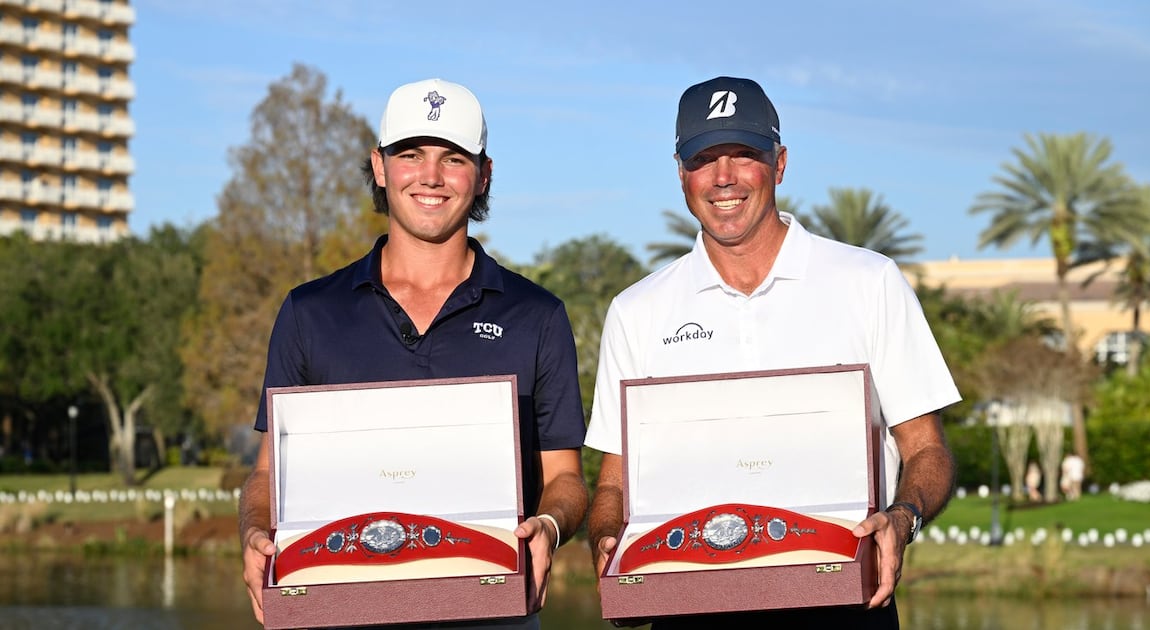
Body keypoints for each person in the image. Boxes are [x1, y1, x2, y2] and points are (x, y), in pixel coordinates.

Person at [584, 76, 961, 628]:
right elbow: (614, 483)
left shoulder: (869, 281)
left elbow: (927, 449)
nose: (723, 178)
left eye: (744, 155)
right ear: (681, 173)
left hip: (844, 600)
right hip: (690, 606)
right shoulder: (636, 310)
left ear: (779, 163)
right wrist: (609, 543)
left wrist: (903, 518)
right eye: (704, 159)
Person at [237, 78, 589, 629]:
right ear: (379, 167)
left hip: (492, 610)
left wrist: (549, 524)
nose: (430, 176)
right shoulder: (309, 311)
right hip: (339, 609)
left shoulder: (537, 315)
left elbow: (566, 476)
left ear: (483, 175)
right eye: (411, 155)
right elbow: (267, 475)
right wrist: (256, 531)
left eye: (453, 158)